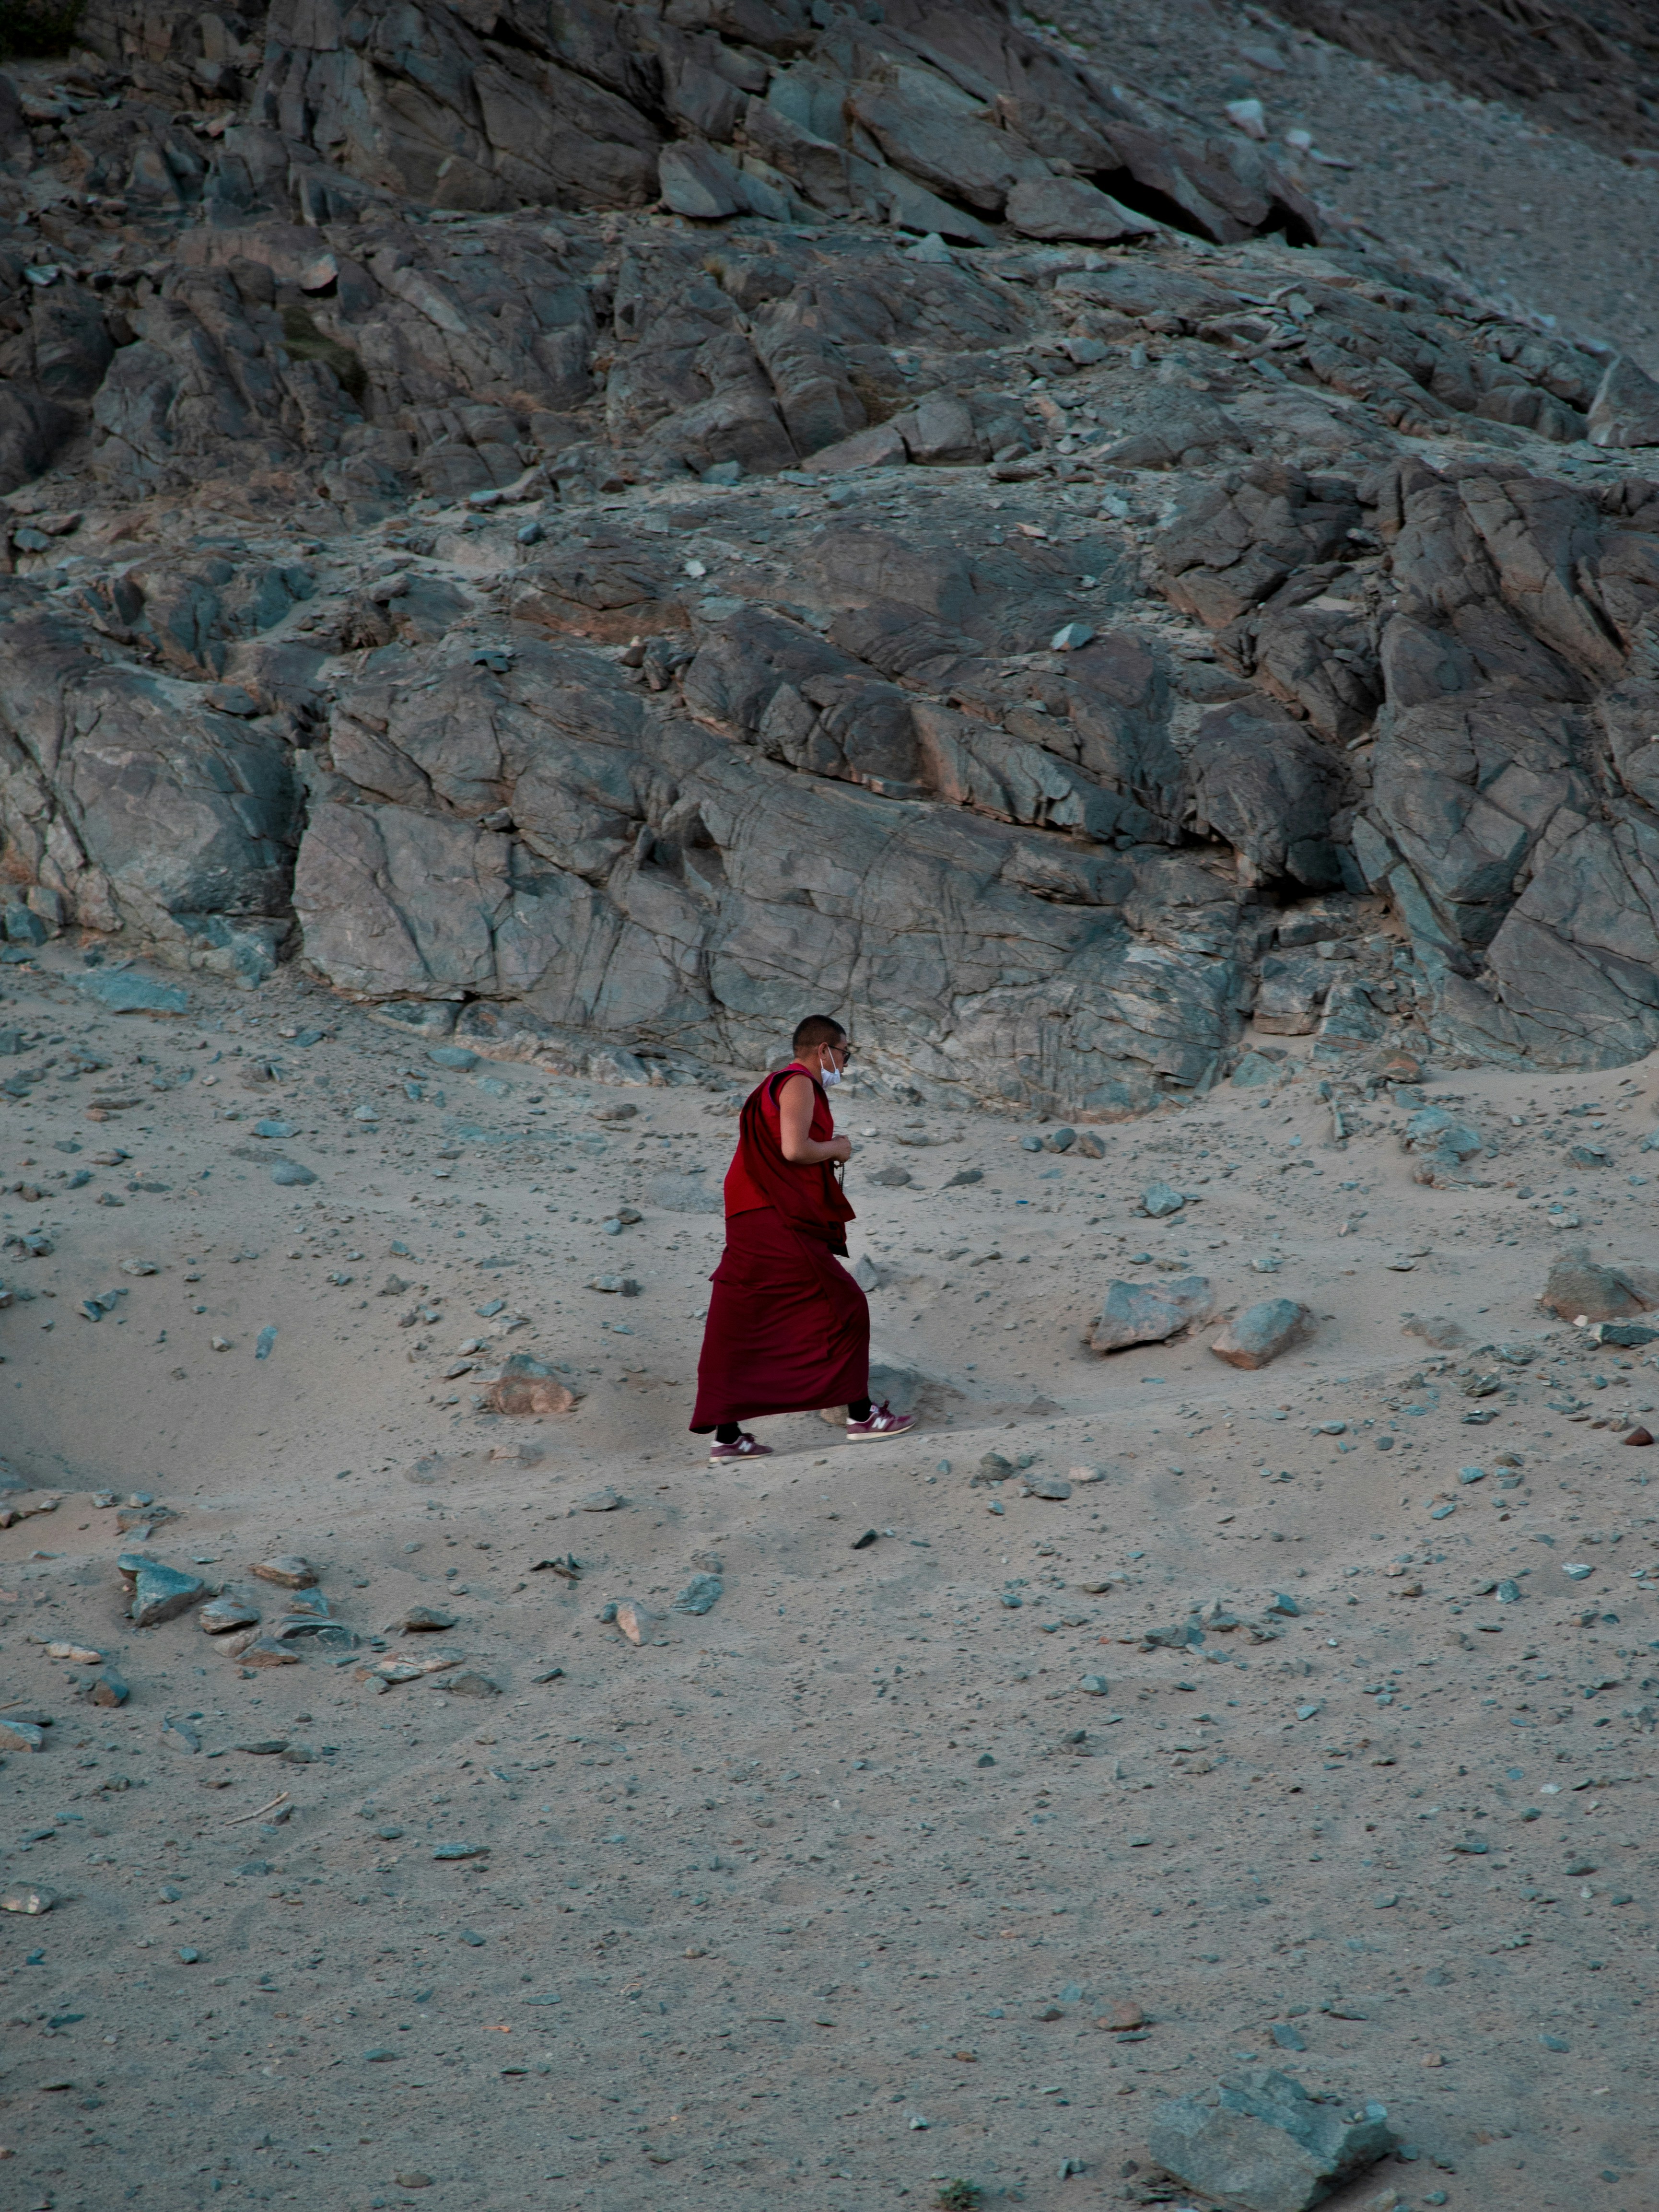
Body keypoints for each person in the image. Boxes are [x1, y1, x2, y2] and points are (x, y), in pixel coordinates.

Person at [690, 1014, 916, 1462]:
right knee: (846, 1304)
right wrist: (838, 1146)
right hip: (774, 1217)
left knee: (742, 1321)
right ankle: (862, 1415)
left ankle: (728, 1436)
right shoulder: (797, 1083)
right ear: (823, 1051)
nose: (846, 1065)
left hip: (748, 1212)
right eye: (845, 1054)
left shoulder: (771, 1086)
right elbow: (794, 1150)